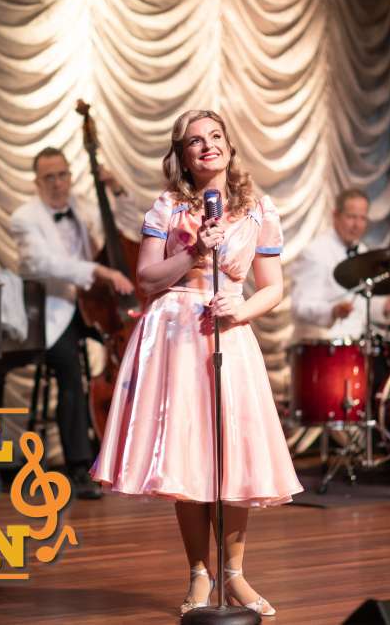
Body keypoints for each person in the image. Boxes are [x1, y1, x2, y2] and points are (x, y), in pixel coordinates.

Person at [91, 110, 303, 617]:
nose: (207, 145)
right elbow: (146, 279)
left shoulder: (259, 209)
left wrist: (242, 309)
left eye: (215, 136)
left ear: (229, 146)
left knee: (233, 456)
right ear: (182, 156)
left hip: (231, 330)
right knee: (189, 456)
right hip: (177, 336)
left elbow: (272, 286)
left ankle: (235, 574)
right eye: (194, 141)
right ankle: (199, 573)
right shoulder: (168, 206)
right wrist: (192, 253)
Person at [9, 147, 134, 500]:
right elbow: (41, 263)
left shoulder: (82, 207)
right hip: (55, 313)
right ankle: (78, 467)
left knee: (133, 355)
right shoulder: (24, 217)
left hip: (93, 306)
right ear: (37, 182)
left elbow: (127, 228)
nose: (57, 183)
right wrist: (98, 271)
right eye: (49, 177)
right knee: (70, 374)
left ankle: (130, 451)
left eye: (62, 175)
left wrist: (117, 190)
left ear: (70, 176)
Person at [290, 187, 390, 343]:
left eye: (362, 218)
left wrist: (385, 306)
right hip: (323, 346)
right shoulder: (314, 253)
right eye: (351, 217)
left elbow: (359, 306)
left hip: (356, 344)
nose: (357, 225)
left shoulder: (363, 251)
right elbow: (299, 307)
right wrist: (332, 311)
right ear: (335, 216)